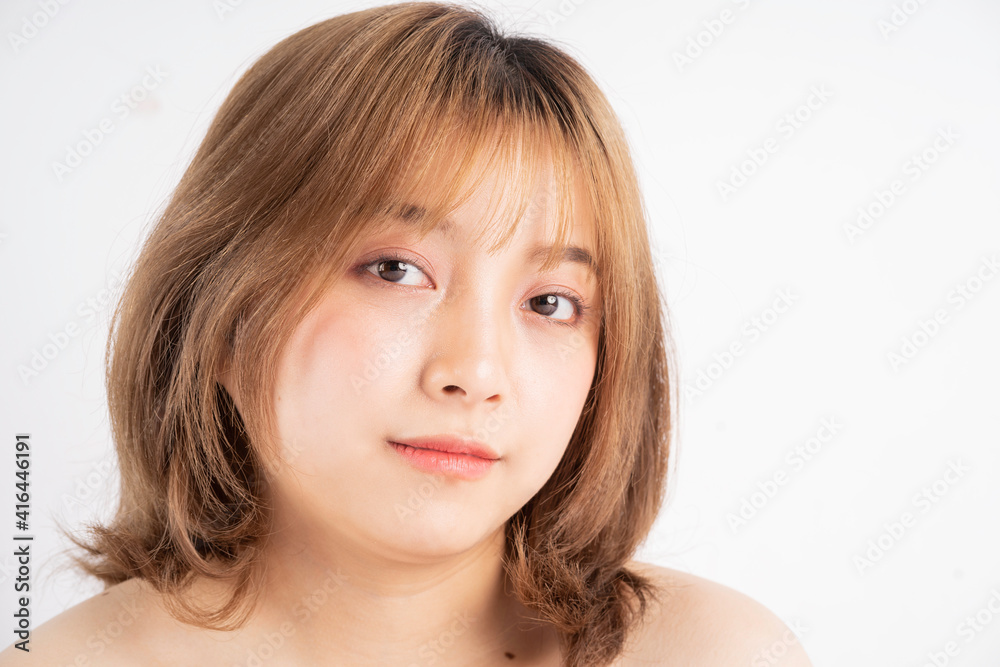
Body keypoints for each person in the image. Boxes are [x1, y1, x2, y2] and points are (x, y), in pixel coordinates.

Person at [1, 3, 812, 665]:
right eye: (395, 270)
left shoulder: (717, 653)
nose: (477, 371)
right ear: (222, 318)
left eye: (551, 302)